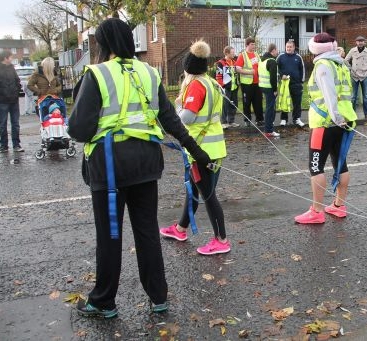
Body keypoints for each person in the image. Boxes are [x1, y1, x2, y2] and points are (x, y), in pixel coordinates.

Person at [67, 18, 211, 318]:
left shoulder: (97, 74)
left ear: (103, 43)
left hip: (109, 167)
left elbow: (79, 130)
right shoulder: (148, 72)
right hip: (146, 164)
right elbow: (171, 120)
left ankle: (103, 300)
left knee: (110, 234)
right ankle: (159, 298)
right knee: (146, 232)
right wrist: (197, 152)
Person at [159, 40, 230, 255]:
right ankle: (181, 229)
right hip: (212, 146)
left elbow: (187, 118)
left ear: (188, 68)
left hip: (202, 149)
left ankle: (221, 240)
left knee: (208, 195)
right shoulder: (210, 82)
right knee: (194, 190)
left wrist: (176, 112)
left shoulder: (197, 85)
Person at [294, 33, 357, 224]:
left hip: (325, 123)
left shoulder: (323, 65)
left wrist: (335, 117)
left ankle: (317, 211)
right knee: (340, 163)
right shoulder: (340, 64)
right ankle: (339, 206)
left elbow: (329, 94)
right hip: (343, 121)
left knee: (315, 166)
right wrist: (341, 118)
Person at [0, 51, 24, 153]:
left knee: (15, 123)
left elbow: (17, 81)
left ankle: (16, 145)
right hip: (2, 101)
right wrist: (2, 91)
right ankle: (4, 146)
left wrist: (17, 90)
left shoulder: (11, 68)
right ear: (5, 58)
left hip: (14, 100)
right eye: (11, 57)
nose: (12, 59)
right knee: (2, 124)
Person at [235, 37, 263, 127]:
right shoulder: (242, 55)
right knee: (247, 102)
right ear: (247, 45)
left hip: (257, 82)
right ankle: (247, 120)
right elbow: (237, 69)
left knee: (258, 102)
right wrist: (249, 72)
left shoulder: (256, 54)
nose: (254, 46)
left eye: (254, 44)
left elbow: (261, 65)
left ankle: (260, 119)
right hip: (247, 84)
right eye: (252, 44)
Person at [276, 40, 305, 127]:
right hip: (285, 84)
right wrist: (281, 76)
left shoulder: (298, 57)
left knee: (297, 102)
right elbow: (276, 68)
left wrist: (301, 81)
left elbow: (302, 69)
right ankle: (284, 119)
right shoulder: (281, 57)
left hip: (296, 84)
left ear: (294, 47)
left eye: (290, 47)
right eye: (287, 47)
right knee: (284, 101)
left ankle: (296, 119)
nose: (288, 48)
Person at [345, 36, 367, 119]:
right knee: (353, 96)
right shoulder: (352, 50)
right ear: (356, 42)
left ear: (364, 42)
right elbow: (346, 60)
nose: (360, 42)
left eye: (362, 41)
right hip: (354, 76)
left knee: (366, 96)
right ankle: (352, 113)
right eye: (358, 41)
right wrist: (350, 69)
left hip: (364, 75)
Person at [215, 46, 240, 129]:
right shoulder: (221, 63)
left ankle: (231, 121)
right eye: (232, 53)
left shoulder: (234, 62)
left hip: (234, 87)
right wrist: (222, 86)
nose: (234, 54)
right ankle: (224, 122)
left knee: (234, 104)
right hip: (226, 88)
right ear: (227, 53)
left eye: (234, 52)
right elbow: (218, 76)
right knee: (225, 105)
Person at [259, 43, 280, 138]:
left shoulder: (262, 60)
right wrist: (275, 89)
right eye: (277, 50)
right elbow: (273, 78)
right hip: (270, 88)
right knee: (270, 109)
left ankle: (268, 129)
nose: (278, 52)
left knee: (269, 108)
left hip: (263, 86)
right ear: (273, 50)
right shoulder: (272, 61)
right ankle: (269, 130)